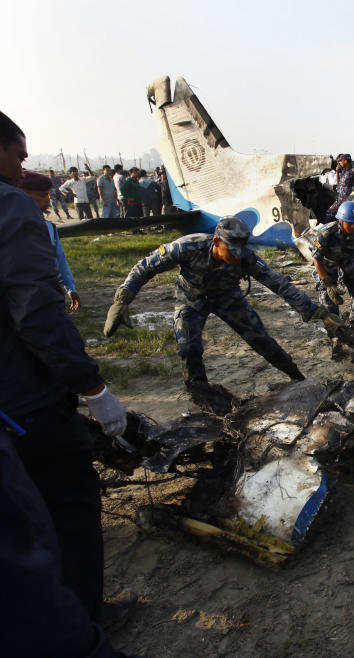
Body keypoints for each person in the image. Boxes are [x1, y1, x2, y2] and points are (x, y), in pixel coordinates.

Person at [0, 110, 128, 648]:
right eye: (19, 154)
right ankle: (83, 622)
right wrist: (91, 386)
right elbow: (37, 314)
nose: (22, 164)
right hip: (26, 400)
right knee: (70, 506)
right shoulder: (10, 208)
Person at [104, 216, 341, 414]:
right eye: (231, 250)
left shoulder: (245, 257)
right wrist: (122, 300)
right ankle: (201, 394)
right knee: (188, 347)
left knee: (261, 340)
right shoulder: (187, 246)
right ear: (217, 241)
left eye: (240, 251)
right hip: (191, 299)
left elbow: (278, 283)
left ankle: (296, 376)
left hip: (228, 297)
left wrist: (316, 312)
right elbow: (145, 267)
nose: (236, 256)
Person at [312, 201, 354, 354]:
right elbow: (317, 259)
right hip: (327, 263)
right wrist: (327, 283)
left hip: (348, 261)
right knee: (329, 304)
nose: (353, 227)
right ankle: (335, 339)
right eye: (350, 224)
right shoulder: (326, 232)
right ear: (341, 220)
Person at [19, 171, 81, 310]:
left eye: (48, 194)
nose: (48, 200)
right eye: (42, 195)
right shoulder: (12, 228)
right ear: (21, 195)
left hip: (47, 294)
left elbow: (59, 260)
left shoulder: (49, 228)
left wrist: (70, 288)